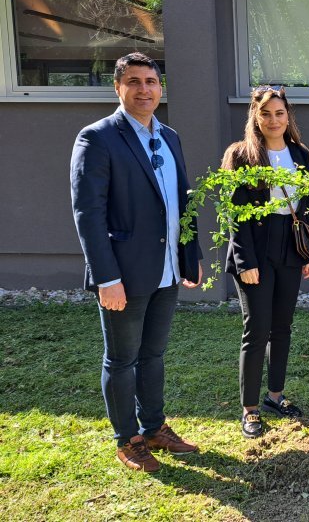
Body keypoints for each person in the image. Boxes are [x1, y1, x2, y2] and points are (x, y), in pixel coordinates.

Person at [70, 52, 203, 472]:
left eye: (151, 81)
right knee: (122, 358)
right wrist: (106, 277)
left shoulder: (170, 136)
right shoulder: (98, 137)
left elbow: (183, 201)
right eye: (134, 81)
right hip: (123, 274)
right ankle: (127, 439)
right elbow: (88, 214)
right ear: (118, 87)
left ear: (161, 88)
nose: (144, 89)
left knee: (154, 355)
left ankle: (154, 427)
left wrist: (190, 256)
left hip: (165, 269)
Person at [221, 85, 309, 439]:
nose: (274, 120)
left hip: (290, 246)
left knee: (283, 326)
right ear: (255, 117)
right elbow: (235, 214)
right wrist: (245, 261)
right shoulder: (242, 155)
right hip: (255, 248)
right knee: (257, 329)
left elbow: (305, 204)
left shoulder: (300, 153)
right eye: (266, 113)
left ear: (287, 115)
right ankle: (250, 409)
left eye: (279, 113)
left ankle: (275, 396)